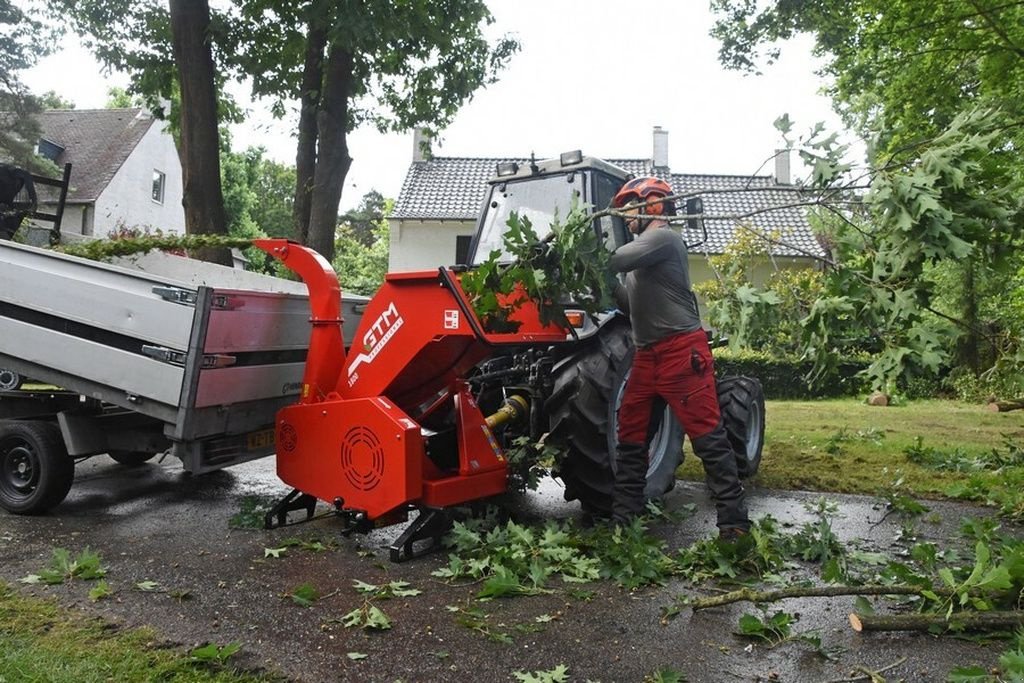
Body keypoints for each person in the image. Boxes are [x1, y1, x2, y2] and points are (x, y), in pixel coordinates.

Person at [607, 176, 750, 540]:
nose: (625, 216)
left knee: (707, 437)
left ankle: (734, 525)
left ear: (653, 205)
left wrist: (593, 255)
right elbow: (630, 305)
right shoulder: (644, 252)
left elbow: (618, 258)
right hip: (647, 355)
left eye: (630, 208)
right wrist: (604, 282)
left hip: (681, 353)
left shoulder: (664, 238)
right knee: (632, 436)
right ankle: (626, 521)